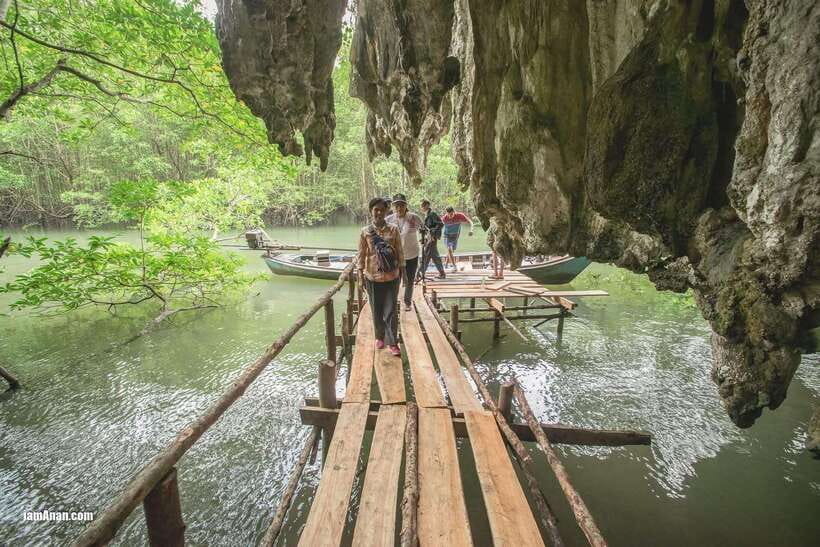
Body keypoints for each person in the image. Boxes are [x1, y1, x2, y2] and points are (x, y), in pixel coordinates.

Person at [358, 197, 404, 356]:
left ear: (386, 212)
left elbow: (399, 250)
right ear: (371, 211)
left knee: (391, 311)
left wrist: (402, 270)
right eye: (376, 210)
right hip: (372, 277)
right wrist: (360, 272)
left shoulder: (393, 229)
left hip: (392, 277)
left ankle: (393, 343)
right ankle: (379, 336)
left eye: (381, 210)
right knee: (376, 309)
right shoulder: (365, 231)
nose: (379, 212)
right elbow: (362, 253)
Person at [386, 193, 423, 311]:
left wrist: (425, 239)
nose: (399, 208)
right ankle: (393, 302)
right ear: (393, 207)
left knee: (410, 280)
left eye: (401, 205)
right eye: (396, 205)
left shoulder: (414, 218)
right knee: (395, 279)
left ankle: (407, 302)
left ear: (406, 206)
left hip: (412, 254)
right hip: (395, 256)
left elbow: (424, 230)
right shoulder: (389, 220)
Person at [418, 199, 446, 280]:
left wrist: (432, 232)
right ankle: (441, 273)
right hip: (429, 238)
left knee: (427, 255)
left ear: (427, 205)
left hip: (432, 238)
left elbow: (440, 224)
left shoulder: (432, 214)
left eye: (422, 206)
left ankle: (421, 273)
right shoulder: (427, 215)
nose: (421, 207)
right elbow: (428, 227)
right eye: (421, 206)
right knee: (433, 256)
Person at [442, 206, 474, 270]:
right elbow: (438, 226)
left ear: (454, 212)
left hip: (455, 237)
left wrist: (471, 230)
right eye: (448, 214)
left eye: (451, 214)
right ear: (446, 213)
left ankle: (445, 264)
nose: (450, 216)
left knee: (451, 251)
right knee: (449, 249)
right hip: (447, 236)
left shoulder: (459, 216)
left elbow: (470, 222)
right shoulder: (444, 218)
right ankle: (454, 266)